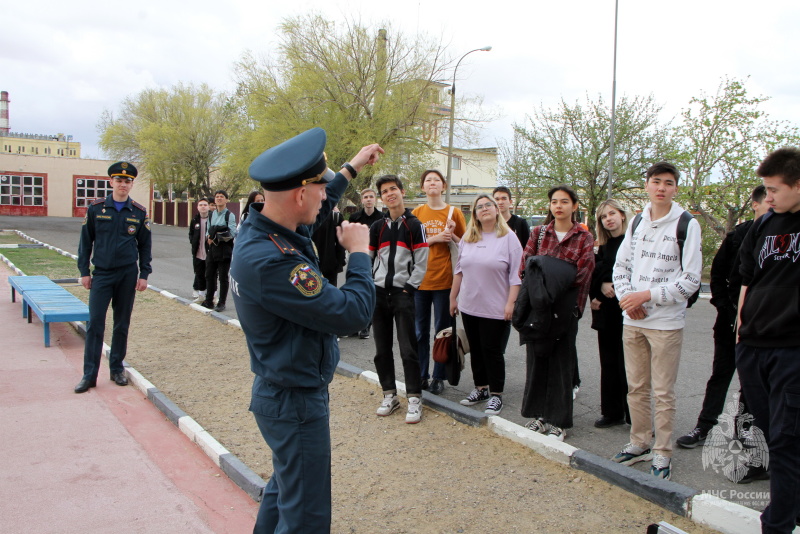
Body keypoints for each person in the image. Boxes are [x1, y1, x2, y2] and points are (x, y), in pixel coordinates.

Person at [229, 128, 379, 534]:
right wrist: (361, 254)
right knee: (306, 519)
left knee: (284, 494)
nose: (324, 195)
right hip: (294, 401)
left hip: (281, 391)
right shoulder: (275, 262)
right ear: (298, 194)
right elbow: (352, 314)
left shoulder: (262, 230)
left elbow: (319, 199)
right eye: (318, 185)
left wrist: (352, 166)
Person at [610, 161, 702, 481]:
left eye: (668, 182)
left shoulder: (687, 225)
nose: (661, 187)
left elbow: (690, 281)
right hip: (632, 319)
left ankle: (662, 451)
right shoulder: (636, 222)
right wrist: (628, 299)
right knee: (636, 387)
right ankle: (640, 441)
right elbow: (621, 268)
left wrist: (646, 296)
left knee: (663, 391)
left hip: (665, 324)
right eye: (656, 181)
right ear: (647, 185)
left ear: (676, 188)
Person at [736, 147, 800, 534]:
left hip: (792, 350)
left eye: (774, 189)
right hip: (753, 348)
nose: (768, 197)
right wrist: (740, 331)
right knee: (771, 436)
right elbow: (748, 278)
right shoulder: (763, 225)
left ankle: (775, 525)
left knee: (786, 441)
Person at [676, 185, 769, 449]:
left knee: (752, 385)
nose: (772, 209)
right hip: (729, 321)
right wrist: (726, 309)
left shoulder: (781, 237)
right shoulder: (738, 236)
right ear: (755, 204)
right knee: (720, 375)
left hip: (762, 326)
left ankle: (744, 435)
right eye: (768, 204)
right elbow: (717, 276)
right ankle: (704, 426)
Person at [516, 185, 594, 441]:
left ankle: (559, 422)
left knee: (562, 365)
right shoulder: (538, 234)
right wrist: (549, 280)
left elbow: (582, 274)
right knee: (537, 362)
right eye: (554, 201)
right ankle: (538, 416)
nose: (558, 206)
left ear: (574, 205)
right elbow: (525, 267)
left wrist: (548, 278)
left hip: (566, 309)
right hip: (539, 310)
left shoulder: (583, 238)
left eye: (564, 201)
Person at [75, 161, 152, 393]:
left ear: (131, 184)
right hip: (102, 274)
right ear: (111, 182)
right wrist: (83, 272)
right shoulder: (96, 208)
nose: (123, 184)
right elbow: (85, 243)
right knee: (96, 324)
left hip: (127, 275)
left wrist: (144, 274)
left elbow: (145, 246)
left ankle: (116, 368)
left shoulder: (138, 212)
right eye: (118, 180)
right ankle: (89, 375)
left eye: (127, 181)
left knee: (121, 324)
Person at [450, 194, 522, 415]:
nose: (484, 209)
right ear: (475, 214)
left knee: (492, 350)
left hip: (496, 307)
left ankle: (496, 394)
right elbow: (459, 271)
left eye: (488, 205)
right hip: (470, 305)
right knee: (477, 350)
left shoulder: (509, 238)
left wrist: (511, 303)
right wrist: (453, 298)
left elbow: (516, 276)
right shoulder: (468, 238)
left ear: (496, 209)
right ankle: (480, 388)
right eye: (479, 207)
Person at [369, 174, 429, 423]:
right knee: (382, 350)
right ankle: (389, 394)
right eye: (384, 191)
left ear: (402, 192)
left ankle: (414, 397)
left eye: (393, 188)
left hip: (403, 293)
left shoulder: (414, 225)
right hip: (379, 293)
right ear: (382, 197)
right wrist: (369, 285)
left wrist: (410, 288)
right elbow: (368, 259)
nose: (389, 193)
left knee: (408, 348)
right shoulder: (377, 227)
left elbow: (422, 260)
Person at [412, 169, 466, 394]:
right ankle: (421, 374)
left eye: (436, 180)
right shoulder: (416, 213)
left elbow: (466, 245)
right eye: (428, 180)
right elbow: (410, 245)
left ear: (443, 186)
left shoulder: (454, 212)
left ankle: (438, 376)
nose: (432, 183)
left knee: (442, 332)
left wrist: (452, 234)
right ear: (423, 187)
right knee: (419, 332)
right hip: (419, 282)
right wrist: (434, 238)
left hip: (444, 282)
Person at [589, 199, 630, 428]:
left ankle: (635, 416)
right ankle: (612, 412)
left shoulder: (633, 242)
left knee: (631, 366)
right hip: (607, 313)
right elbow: (596, 270)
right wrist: (601, 286)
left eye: (612, 214)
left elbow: (621, 270)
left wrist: (606, 280)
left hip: (629, 310)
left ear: (622, 215)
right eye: (604, 217)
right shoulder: (604, 245)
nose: (608, 219)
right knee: (609, 363)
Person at [348, 188, 385, 338]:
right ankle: (353, 325)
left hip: (375, 259)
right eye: (366, 197)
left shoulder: (382, 217)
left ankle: (366, 325)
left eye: (371, 197)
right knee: (355, 290)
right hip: (357, 256)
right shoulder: (355, 217)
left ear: (375, 199)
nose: (368, 199)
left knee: (370, 291)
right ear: (362, 200)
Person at [202, 190, 237, 312]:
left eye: (222, 197)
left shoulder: (229, 215)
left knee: (223, 277)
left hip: (224, 249)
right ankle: (209, 300)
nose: (219, 199)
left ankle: (221, 303)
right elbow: (208, 230)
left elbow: (232, 233)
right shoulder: (211, 214)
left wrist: (216, 236)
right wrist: (209, 237)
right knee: (209, 274)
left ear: (227, 199)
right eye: (217, 197)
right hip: (212, 248)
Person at [312, 207, 346, 286]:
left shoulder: (335, 217)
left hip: (329, 270)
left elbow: (340, 244)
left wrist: (338, 264)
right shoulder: (303, 215)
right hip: (309, 268)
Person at [188, 197, 211, 302]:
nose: (203, 207)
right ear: (197, 207)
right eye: (201, 205)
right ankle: (200, 294)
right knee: (199, 273)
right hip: (197, 252)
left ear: (208, 207)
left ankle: (212, 295)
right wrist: (193, 241)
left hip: (210, 253)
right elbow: (191, 233)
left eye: (205, 205)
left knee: (210, 274)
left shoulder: (212, 219)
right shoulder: (194, 220)